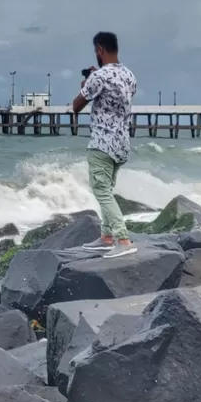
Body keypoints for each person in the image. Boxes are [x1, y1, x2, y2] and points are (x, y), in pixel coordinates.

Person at [71, 31, 138, 258]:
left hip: (101, 143)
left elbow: (76, 106)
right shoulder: (129, 75)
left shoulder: (98, 77)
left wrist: (86, 84)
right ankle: (106, 237)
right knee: (108, 190)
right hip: (122, 144)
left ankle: (123, 239)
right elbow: (115, 98)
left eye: (96, 51)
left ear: (100, 49)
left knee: (101, 192)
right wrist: (93, 80)